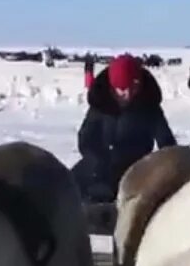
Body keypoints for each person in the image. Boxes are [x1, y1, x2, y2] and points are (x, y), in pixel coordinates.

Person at [73, 53, 177, 203]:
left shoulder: (149, 106)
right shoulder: (100, 104)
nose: (127, 94)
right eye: (121, 89)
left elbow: (166, 141)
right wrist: (97, 161)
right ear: (111, 87)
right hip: (99, 166)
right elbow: (86, 138)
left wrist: (167, 168)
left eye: (132, 88)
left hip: (136, 170)